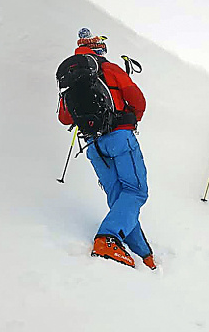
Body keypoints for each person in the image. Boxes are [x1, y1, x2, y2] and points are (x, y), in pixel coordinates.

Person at [58, 28, 156, 270]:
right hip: (119, 137)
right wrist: (130, 120)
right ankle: (108, 239)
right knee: (136, 192)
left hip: (92, 145)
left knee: (118, 195)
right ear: (98, 48)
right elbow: (139, 100)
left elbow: (64, 118)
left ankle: (142, 251)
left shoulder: (71, 76)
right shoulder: (109, 69)